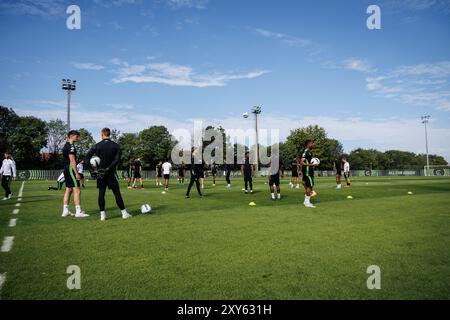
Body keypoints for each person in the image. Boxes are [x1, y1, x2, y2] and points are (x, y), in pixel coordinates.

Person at [86, 128, 132, 221]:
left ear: (102, 134)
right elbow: (116, 160)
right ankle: (124, 213)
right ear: (109, 134)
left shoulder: (97, 146)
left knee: (101, 194)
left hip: (100, 174)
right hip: (110, 173)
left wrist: (92, 171)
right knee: (117, 193)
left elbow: (87, 158)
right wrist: (108, 168)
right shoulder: (116, 146)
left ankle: (102, 215)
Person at [61, 130, 88, 218]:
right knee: (77, 190)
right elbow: (72, 160)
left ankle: (65, 211)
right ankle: (78, 212)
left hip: (66, 169)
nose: (78, 138)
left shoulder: (65, 145)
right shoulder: (71, 146)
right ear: (71, 136)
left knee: (68, 189)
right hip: (71, 169)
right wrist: (76, 173)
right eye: (77, 136)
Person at [300, 140, 319, 208]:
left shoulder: (309, 152)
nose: (313, 144)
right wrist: (311, 165)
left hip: (308, 171)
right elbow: (302, 162)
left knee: (307, 185)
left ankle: (306, 201)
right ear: (308, 144)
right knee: (310, 186)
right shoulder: (306, 152)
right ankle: (307, 203)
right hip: (308, 172)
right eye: (312, 143)